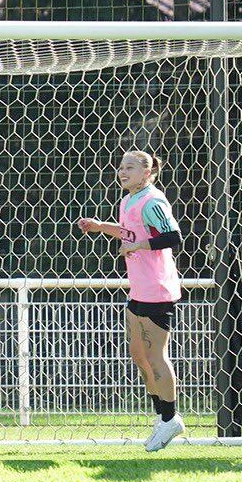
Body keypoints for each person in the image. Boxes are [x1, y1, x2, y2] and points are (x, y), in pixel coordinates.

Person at [78, 150, 185, 452]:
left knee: (155, 356)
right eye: (121, 167)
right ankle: (162, 417)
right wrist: (100, 226)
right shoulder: (128, 200)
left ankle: (170, 419)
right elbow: (129, 233)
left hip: (157, 290)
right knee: (139, 356)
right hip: (139, 290)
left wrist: (138, 245)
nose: (122, 172)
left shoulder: (152, 201)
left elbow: (173, 237)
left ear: (147, 173)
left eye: (130, 168)